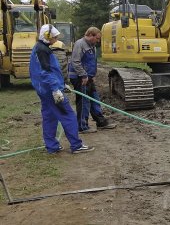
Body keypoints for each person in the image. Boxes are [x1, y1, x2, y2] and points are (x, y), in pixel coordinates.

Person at [29, 24, 94, 154]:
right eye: (55, 36)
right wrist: (56, 89)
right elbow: (46, 72)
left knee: (49, 116)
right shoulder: (43, 50)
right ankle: (76, 145)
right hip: (50, 90)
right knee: (68, 115)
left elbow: (49, 71)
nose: (56, 38)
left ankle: (52, 146)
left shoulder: (40, 48)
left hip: (44, 89)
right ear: (47, 36)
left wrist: (62, 84)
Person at [68, 26, 116, 133]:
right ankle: (82, 126)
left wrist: (91, 75)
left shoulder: (92, 46)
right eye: (97, 38)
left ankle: (100, 121)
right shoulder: (80, 44)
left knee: (95, 98)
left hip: (88, 78)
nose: (98, 41)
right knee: (83, 101)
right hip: (80, 78)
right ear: (90, 35)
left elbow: (91, 62)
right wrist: (83, 75)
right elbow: (75, 61)